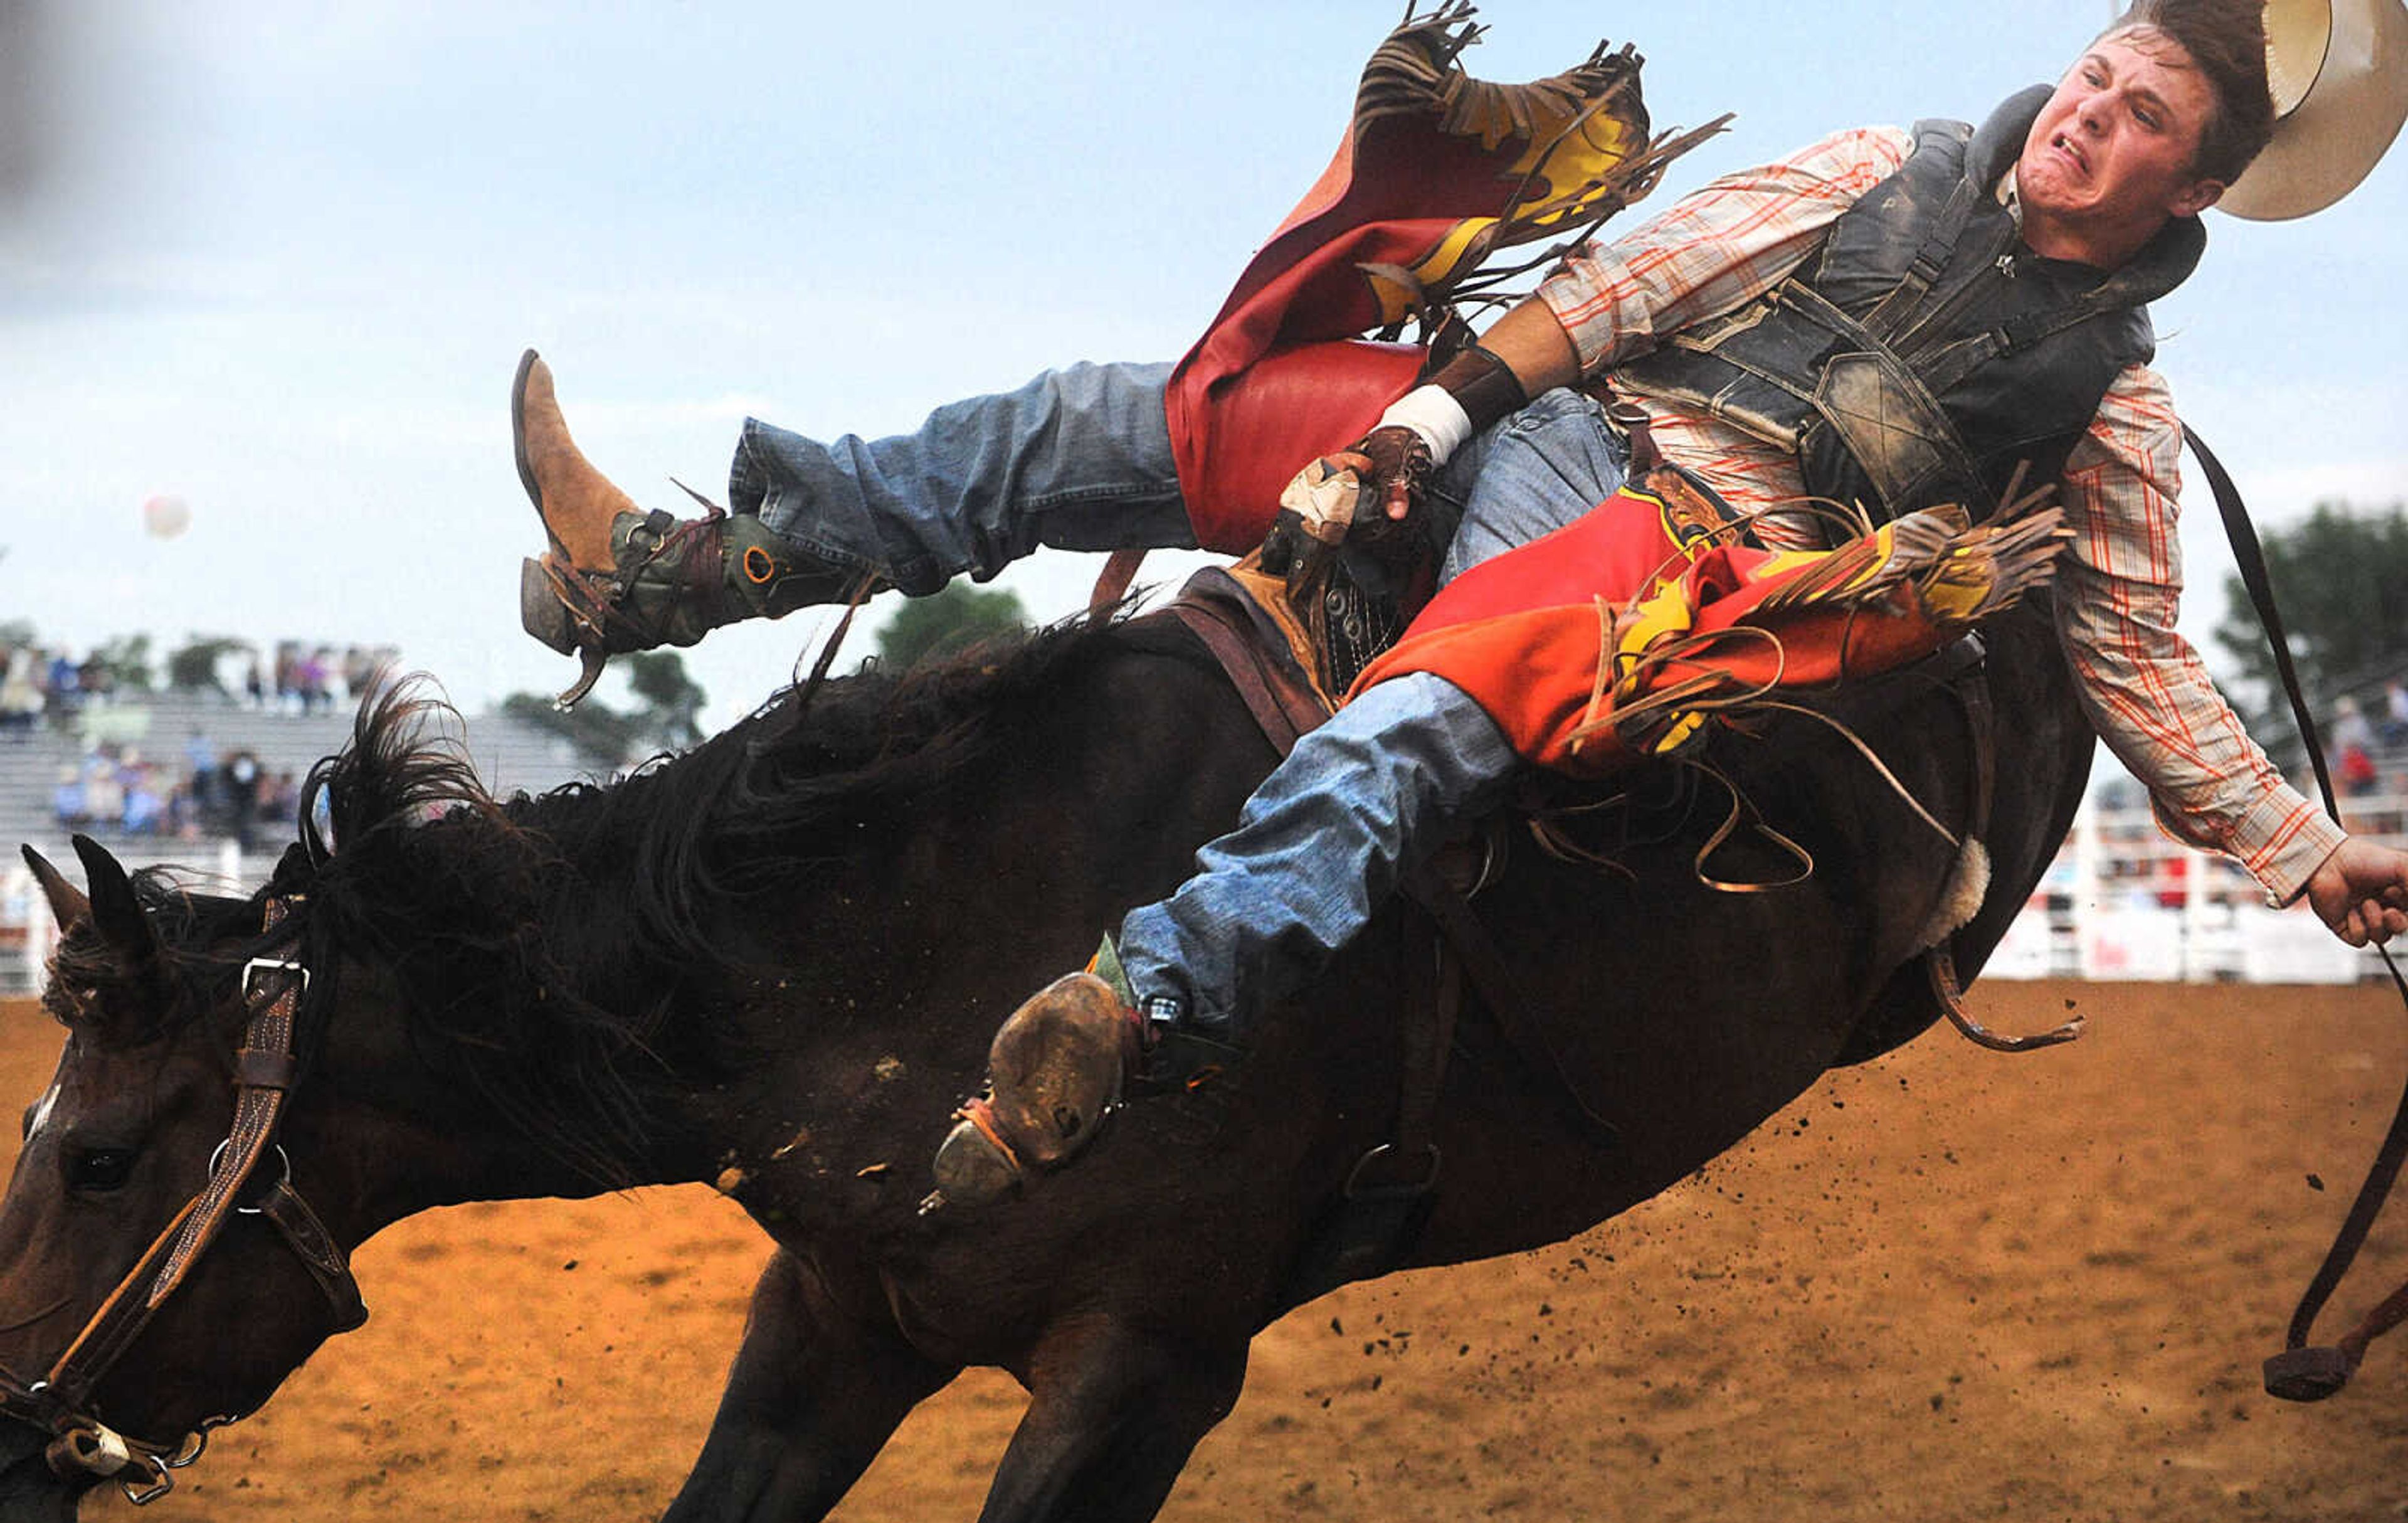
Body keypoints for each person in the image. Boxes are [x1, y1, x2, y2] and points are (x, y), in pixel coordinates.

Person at [510, 1, 2408, 1204]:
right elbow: (1632, 282)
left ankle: (1140, 1001)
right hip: (1543, 418)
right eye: (2093, 67)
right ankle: (683, 569)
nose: (2084, 112)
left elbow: (2137, 651)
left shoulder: (2116, 412)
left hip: (1671, 558)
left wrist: (2307, 849)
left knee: (1429, 716)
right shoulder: (1883, 167)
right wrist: (1424, 414)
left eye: (2138, 108)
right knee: (1113, 420)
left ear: (2206, 177)